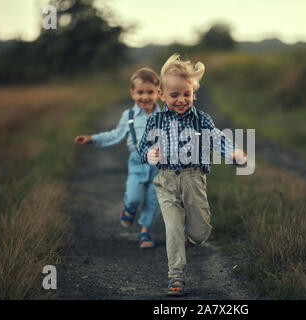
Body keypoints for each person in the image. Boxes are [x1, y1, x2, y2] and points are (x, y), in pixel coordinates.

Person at [138, 54, 247, 296]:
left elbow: (218, 140)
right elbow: (143, 147)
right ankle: (176, 277)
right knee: (173, 228)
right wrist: (150, 154)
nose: (181, 100)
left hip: (193, 179)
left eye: (186, 94)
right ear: (162, 95)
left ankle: (189, 239)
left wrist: (234, 153)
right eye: (174, 95)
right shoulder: (156, 120)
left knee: (200, 233)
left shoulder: (201, 120)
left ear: (193, 94)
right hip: (165, 181)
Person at [74, 68, 161, 249]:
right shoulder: (128, 116)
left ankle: (145, 231)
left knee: (153, 200)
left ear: (159, 93)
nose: (145, 97)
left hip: (159, 166)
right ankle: (129, 208)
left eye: (150, 92)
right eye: (140, 92)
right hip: (137, 162)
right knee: (134, 197)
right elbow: (115, 134)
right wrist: (92, 139)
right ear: (132, 93)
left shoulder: (164, 116)